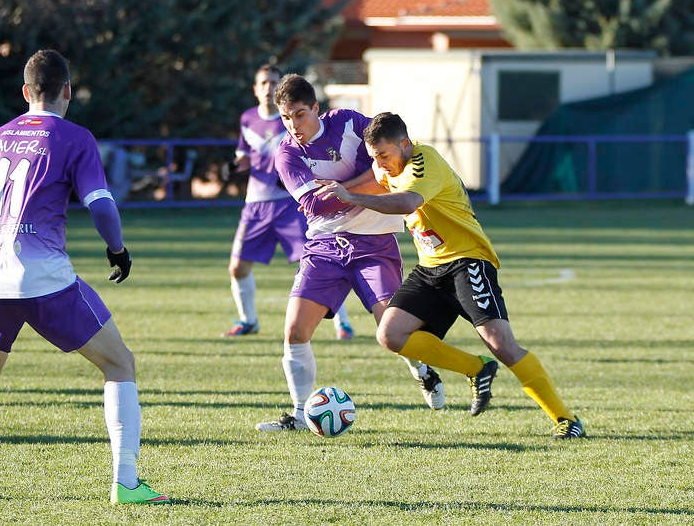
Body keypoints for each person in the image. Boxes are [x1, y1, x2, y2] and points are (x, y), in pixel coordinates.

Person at [0, 50, 171, 504]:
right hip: (40, 275)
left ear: (25, 92)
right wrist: (117, 250)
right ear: (68, 92)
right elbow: (100, 204)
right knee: (119, 364)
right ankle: (127, 483)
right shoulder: (74, 137)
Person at [315, 112, 585, 439]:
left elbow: (407, 202)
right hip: (431, 268)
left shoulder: (423, 162)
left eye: (384, 155)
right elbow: (374, 179)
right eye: (374, 157)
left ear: (405, 144)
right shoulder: (385, 165)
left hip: (467, 261)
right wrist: (337, 189)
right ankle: (476, 368)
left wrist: (351, 196)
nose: (380, 163)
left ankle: (566, 420)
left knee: (503, 345)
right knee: (391, 334)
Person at [255, 75, 445, 432]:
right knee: (295, 331)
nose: (293, 126)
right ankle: (298, 414)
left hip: (375, 241)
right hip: (326, 245)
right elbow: (314, 206)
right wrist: (360, 183)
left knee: (392, 329)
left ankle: (422, 370)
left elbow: (388, 169)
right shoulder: (286, 154)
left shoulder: (348, 123)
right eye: (285, 118)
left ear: (316, 108)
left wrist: (344, 188)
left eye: (299, 114)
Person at [223, 64, 355, 340]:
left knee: (319, 263)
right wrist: (235, 166)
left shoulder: (295, 121)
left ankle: (341, 322)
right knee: (237, 267)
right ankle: (248, 321)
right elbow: (245, 155)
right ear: (255, 88)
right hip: (256, 203)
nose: (268, 87)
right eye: (263, 83)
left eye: (273, 82)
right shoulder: (248, 119)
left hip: (291, 202)